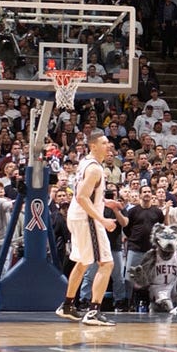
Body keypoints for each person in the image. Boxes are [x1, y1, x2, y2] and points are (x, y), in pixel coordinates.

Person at [56, 131, 119, 327]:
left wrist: (104, 202)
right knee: (106, 263)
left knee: (83, 262)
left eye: (108, 142)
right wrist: (103, 220)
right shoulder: (94, 169)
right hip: (86, 219)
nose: (109, 146)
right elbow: (83, 197)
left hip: (77, 216)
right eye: (104, 143)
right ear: (93, 146)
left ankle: (67, 305)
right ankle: (93, 311)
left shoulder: (85, 162)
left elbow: (84, 194)